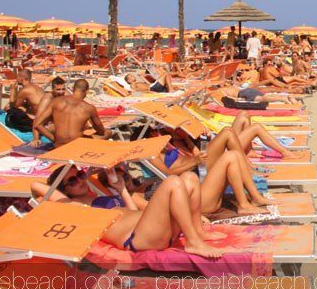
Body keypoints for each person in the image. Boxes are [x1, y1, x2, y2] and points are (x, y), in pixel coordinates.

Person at [32, 165, 221, 257]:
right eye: (72, 181)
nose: (80, 181)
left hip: (151, 229)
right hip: (136, 239)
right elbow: (36, 186)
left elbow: (132, 211)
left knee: (189, 177)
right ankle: (193, 242)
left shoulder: (100, 195)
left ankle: (197, 232)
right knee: (173, 181)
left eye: (80, 175)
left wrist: (122, 189)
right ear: (64, 190)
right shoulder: (74, 206)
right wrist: (59, 188)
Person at [36, 79, 110, 146]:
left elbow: (38, 124)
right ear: (87, 91)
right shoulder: (89, 108)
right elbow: (100, 130)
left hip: (59, 144)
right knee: (107, 133)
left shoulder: (56, 101)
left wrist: (54, 139)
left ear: (72, 89)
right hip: (77, 145)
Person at [31, 76, 68, 147]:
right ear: (52, 89)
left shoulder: (65, 95)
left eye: (63, 89)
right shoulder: (47, 99)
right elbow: (37, 119)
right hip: (47, 126)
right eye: (58, 89)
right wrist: (35, 138)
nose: (61, 92)